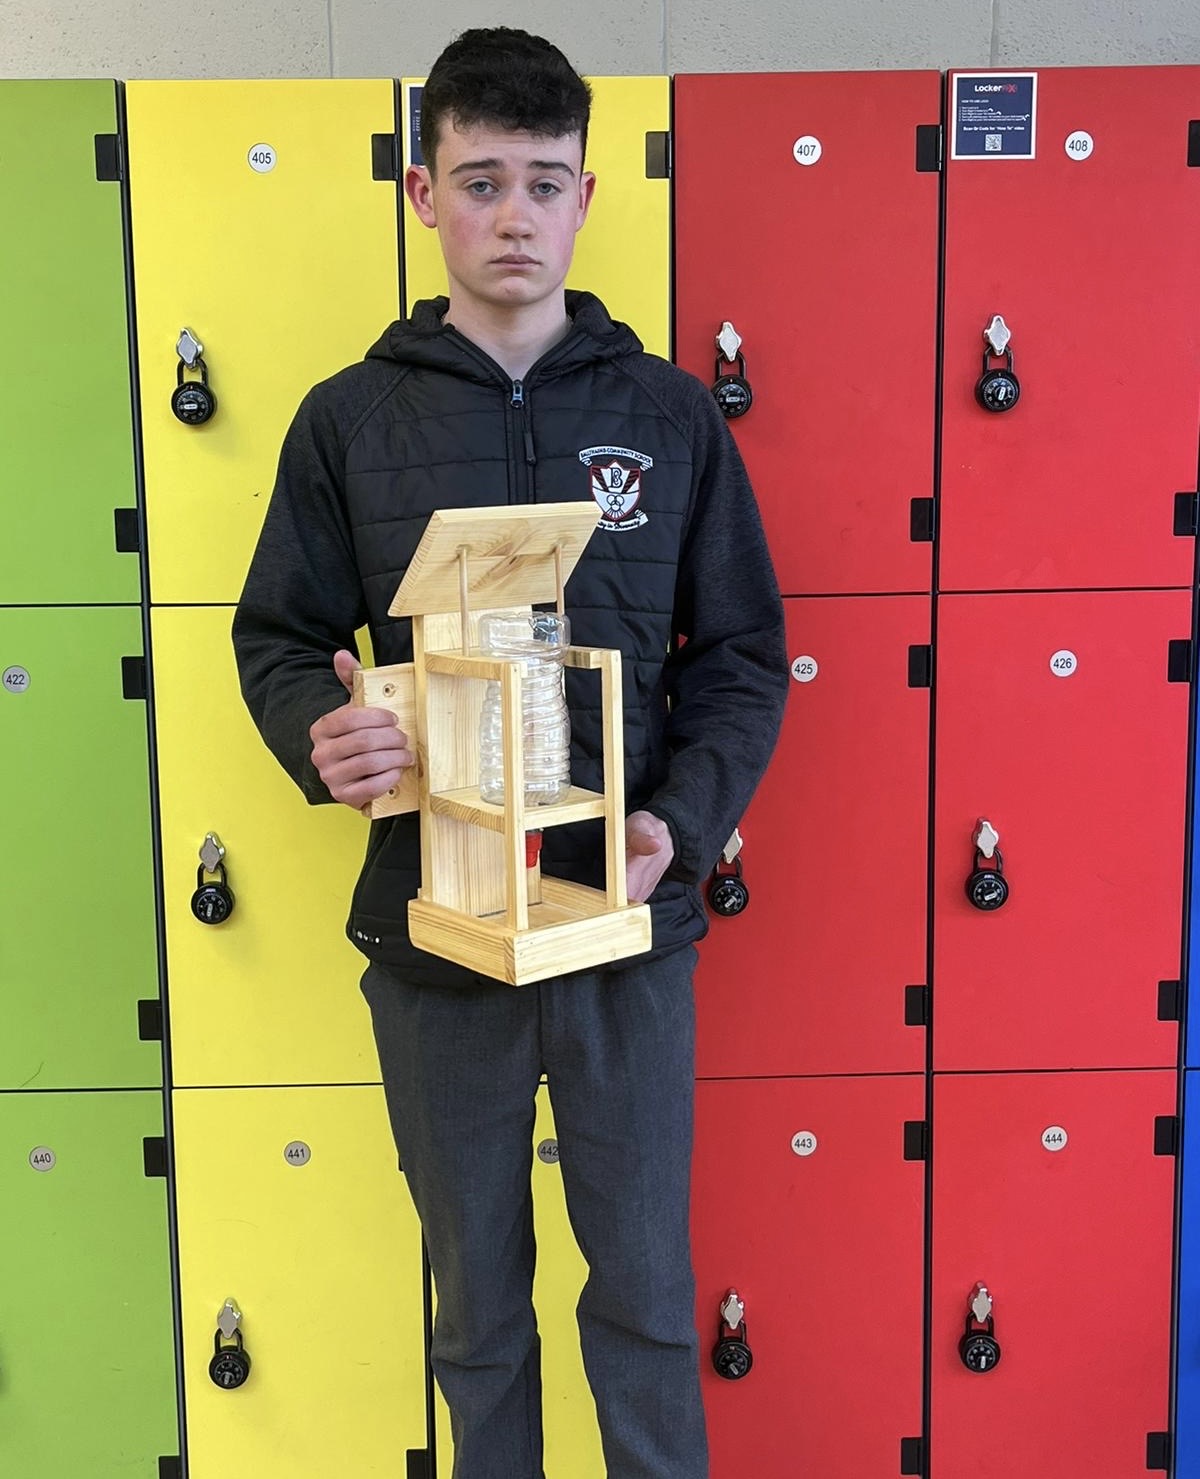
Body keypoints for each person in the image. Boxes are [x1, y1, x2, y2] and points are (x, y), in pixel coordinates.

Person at [233, 26, 786, 1479]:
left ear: (587, 196)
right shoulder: (350, 421)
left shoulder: (668, 415)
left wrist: (679, 824)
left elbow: (739, 653)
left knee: (646, 1299)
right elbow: (279, 636)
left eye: (545, 182)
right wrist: (321, 733)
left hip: (624, 932)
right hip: (437, 938)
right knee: (476, 1313)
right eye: (481, 181)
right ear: (425, 194)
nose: (516, 216)